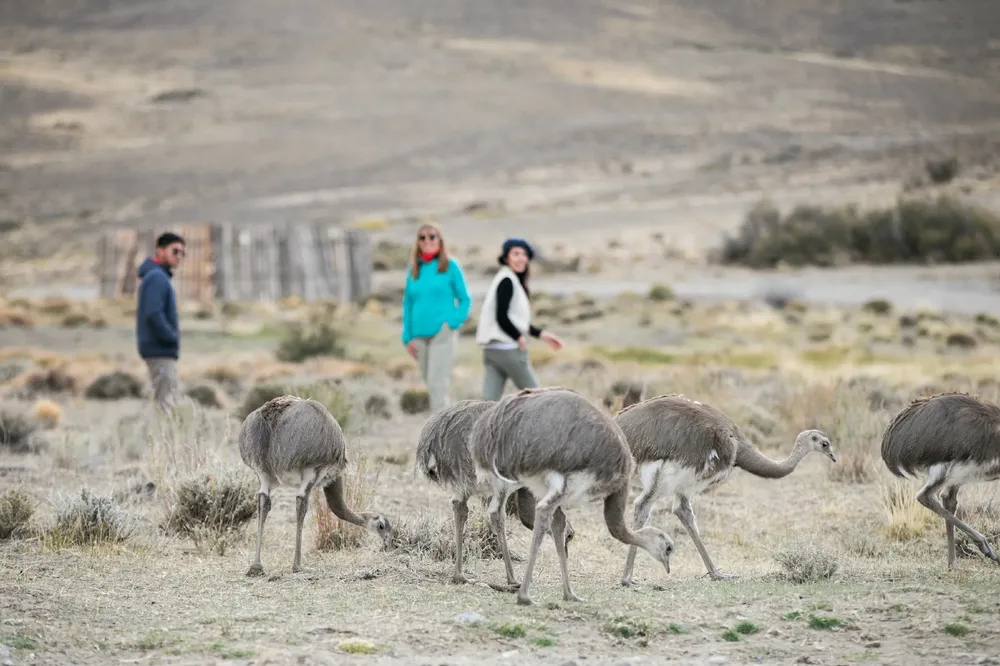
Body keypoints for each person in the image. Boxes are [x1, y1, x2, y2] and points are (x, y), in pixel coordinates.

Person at [475, 237, 564, 401]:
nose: (521, 258)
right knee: (538, 399)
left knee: (487, 404)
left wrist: (541, 334)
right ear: (506, 257)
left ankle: (479, 427)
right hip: (509, 351)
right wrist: (518, 337)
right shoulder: (508, 281)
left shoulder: (504, 278)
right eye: (515, 253)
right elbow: (501, 316)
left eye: (524, 254)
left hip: (492, 351)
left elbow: (513, 318)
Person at [401, 223, 472, 410]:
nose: (427, 241)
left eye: (432, 236)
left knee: (437, 383)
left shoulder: (450, 266)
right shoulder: (414, 270)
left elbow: (464, 299)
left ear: (440, 240)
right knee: (429, 383)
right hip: (419, 336)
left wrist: (453, 322)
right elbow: (408, 304)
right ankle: (447, 422)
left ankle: (438, 435)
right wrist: (407, 337)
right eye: (422, 237)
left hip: (442, 334)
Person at [136, 231, 185, 411]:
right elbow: (153, 314)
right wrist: (171, 337)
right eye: (175, 251)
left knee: (163, 399)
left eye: (182, 253)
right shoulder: (157, 278)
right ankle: (164, 438)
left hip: (160, 350)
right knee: (167, 403)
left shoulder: (158, 276)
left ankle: (161, 436)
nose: (179, 256)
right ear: (160, 250)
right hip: (160, 351)